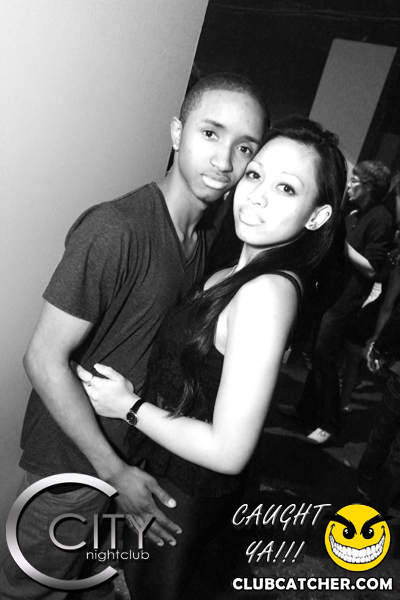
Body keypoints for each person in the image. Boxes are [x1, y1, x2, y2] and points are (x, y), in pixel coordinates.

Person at [0, 73, 269, 599]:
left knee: (87, 581)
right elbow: (42, 359)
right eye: (210, 134)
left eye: (244, 148)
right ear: (177, 133)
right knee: (26, 589)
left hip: (131, 464)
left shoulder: (202, 236)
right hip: (75, 469)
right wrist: (115, 472)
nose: (224, 160)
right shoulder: (117, 229)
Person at [75, 116, 347, 599]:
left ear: (317, 216)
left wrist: (128, 407)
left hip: (180, 499)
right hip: (155, 473)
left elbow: (229, 450)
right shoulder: (232, 272)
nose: (257, 196)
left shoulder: (266, 293)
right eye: (255, 174)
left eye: (286, 188)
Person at [282, 160, 392, 445]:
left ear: (369, 186)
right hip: (335, 294)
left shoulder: (380, 218)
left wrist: (343, 244)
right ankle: (306, 411)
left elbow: (372, 268)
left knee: (325, 357)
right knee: (319, 353)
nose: (350, 186)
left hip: (348, 299)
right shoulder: (356, 213)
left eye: (355, 181)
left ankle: (330, 424)